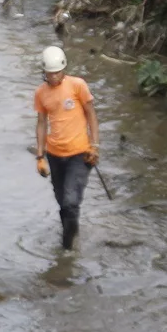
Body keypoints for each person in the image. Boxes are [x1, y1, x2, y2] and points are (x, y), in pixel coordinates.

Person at [33, 45, 99, 250]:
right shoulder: (41, 93)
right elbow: (42, 123)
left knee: (71, 202)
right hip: (54, 154)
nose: (54, 77)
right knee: (63, 203)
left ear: (64, 69)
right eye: (50, 73)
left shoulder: (78, 86)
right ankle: (72, 236)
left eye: (57, 73)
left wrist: (94, 146)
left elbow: (91, 115)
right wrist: (40, 156)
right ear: (44, 72)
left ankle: (67, 252)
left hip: (80, 153)